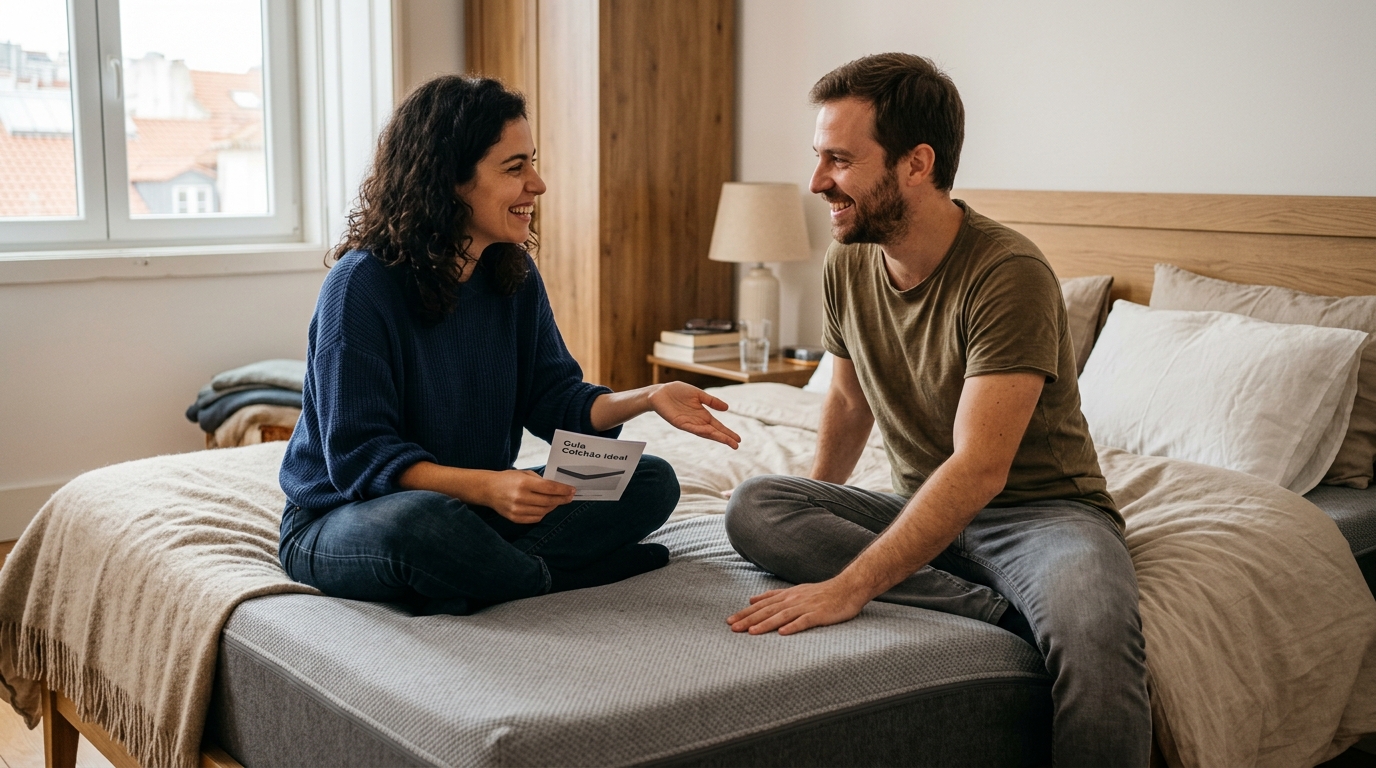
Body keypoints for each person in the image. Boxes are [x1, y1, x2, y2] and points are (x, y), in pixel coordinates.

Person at [722, 54, 1149, 766]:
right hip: (924, 507)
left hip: (1041, 515)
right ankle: (1007, 616)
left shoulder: (1007, 272)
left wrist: (850, 587)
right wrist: (825, 499)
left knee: (1098, 633)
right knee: (755, 507)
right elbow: (851, 399)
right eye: (818, 156)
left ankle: (1025, 605)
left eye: (838, 159)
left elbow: (981, 469)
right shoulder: (848, 260)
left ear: (915, 163)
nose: (817, 180)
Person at [278, 75, 740, 616]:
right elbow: (360, 460)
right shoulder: (363, 284)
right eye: (515, 168)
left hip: (474, 506)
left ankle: (484, 575)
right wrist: (489, 488)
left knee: (647, 478)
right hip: (349, 516)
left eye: (533, 163)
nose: (538, 185)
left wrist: (648, 396)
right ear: (449, 178)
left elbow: (557, 402)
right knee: (421, 524)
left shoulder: (510, 274)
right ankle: (551, 576)